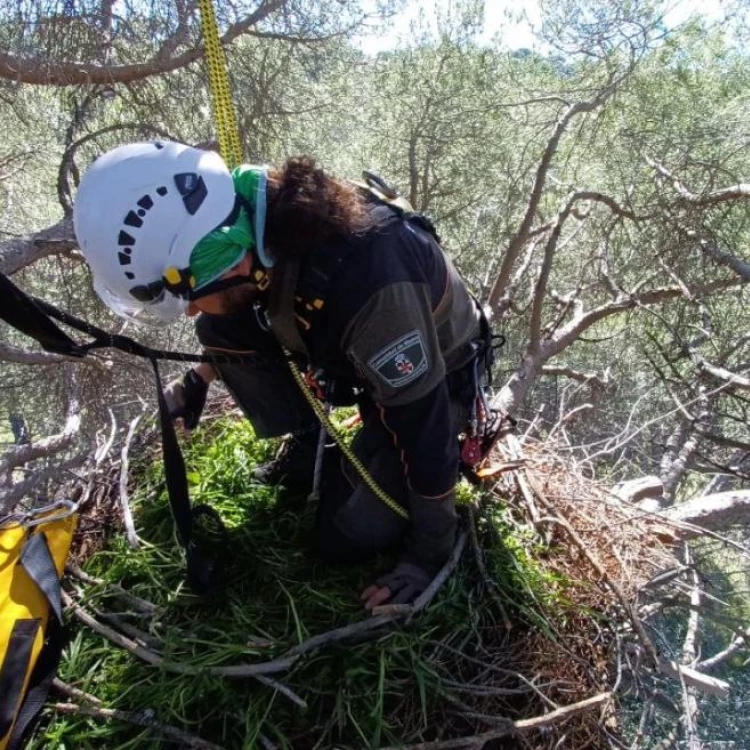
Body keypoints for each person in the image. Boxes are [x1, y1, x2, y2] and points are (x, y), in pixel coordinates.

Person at [73, 141, 485, 608]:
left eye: (189, 292)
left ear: (229, 258)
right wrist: (198, 380)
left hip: (435, 381)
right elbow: (243, 314)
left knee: (337, 539)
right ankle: (313, 438)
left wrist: (428, 556)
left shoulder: (369, 284)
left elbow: (425, 426)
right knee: (219, 322)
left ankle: (356, 471)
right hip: (352, 345)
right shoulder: (258, 216)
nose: (186, 310)